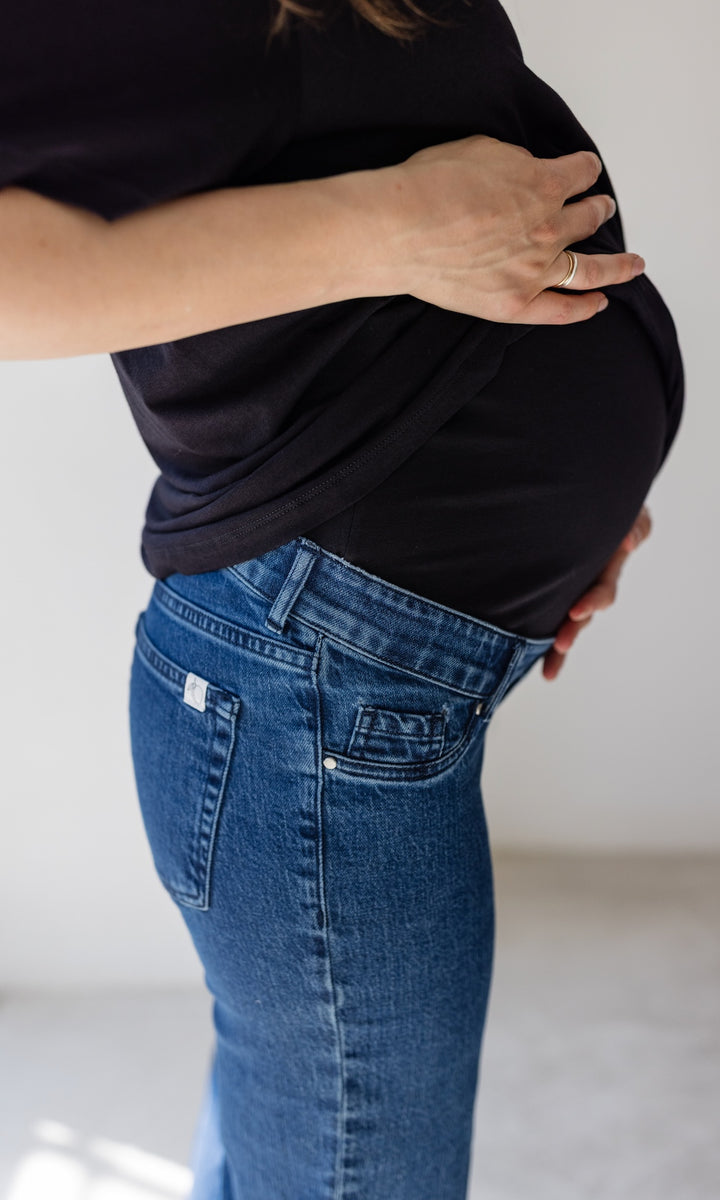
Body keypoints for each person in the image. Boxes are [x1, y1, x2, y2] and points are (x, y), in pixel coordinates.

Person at [0, 0, 684, 1196]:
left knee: (307, 1132)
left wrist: (568, 484)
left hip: (362, 646)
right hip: (306, 673)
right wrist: (385, 236)